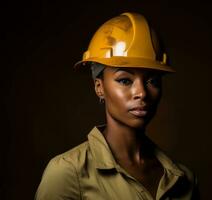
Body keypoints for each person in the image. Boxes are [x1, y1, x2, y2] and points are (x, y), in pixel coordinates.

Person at [35, 12, 199, 200]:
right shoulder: (68, 174)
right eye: (125, 80)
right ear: (99, 87)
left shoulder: (183, 179)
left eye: (152, 81)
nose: (142, 93)